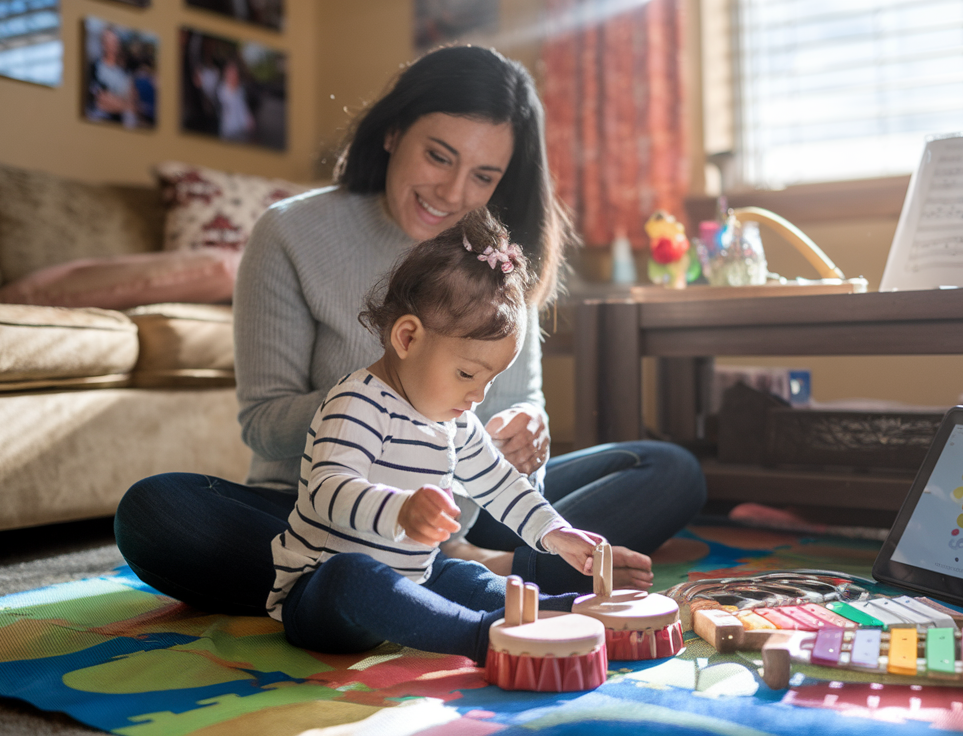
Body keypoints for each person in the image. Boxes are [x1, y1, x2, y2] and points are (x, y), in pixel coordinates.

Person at [114, 45, 705, 620]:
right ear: (394, 131)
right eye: (439, 156)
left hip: (465, 497)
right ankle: (467, 576)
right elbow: (264, 427)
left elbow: (516, 408)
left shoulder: (494, 258)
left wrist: (529, 431)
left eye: (484, 175)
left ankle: (435, 575)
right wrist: (388, 404)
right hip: (319, 507)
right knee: (156, 512)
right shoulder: (290, 233)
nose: (453, 194)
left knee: (666, 469)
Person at [270, 211, 599, 659]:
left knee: (464, 576)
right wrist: (400, 510)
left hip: (414, 579)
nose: (477, 396)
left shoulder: (454, 420)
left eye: (488, 381)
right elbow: (329, 491)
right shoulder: (357, 402)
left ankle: (554, 613)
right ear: (407, 338)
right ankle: (480, 637)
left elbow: (501, 485)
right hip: (324, 596)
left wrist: (554, 532)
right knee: (357, 576)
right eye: (467, 373)